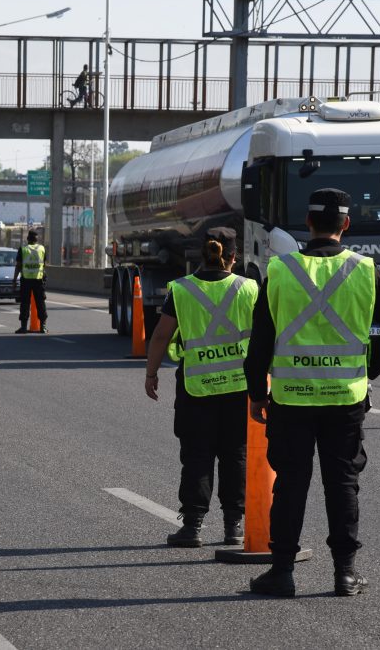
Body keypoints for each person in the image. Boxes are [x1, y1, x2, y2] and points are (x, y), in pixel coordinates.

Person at [245, 188, 380, 598]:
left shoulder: (280, 272)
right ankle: (345, 574)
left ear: (309, 223)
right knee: (342, 484)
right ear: (346, 224)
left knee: (290, 483)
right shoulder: (365, 270)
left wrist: (256, 394)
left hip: (292, 399)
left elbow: (259, 344)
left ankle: (282, 571)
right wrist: (365, 370)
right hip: (345, 399)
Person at [144, 227, 260, 548]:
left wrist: (151, 374)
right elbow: (267, 336)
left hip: (196, 388)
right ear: (234, 258)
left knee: (197, 455)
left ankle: (192, 526)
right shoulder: (250, 289)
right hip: (238, 389)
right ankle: (233, 525)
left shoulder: (181, 290)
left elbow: (160, 336)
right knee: (235, 455)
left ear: (201, 254)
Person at [14, 229, 47, 333]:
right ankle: (43, 327)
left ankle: (23, 327)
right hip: (38, 280)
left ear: (27, 239)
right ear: (37, 240)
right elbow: (43, 265)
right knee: (40, 303)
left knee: (25, 303)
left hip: (26, 280)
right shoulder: (42, 249)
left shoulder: (23, 249)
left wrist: (14, 279)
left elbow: (18, 266)